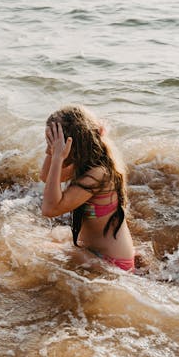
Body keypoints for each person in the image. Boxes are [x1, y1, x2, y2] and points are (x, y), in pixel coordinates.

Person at [40, 105, 135, 272]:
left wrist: (57, 157)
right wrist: (52, 151)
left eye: (54, 141)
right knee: (42, 240)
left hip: (112, 264)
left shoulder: (98, 174)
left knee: (32, 248)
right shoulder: (89, 162)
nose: (52, 146)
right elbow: (46, 177)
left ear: (73, 144)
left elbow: (49, 209)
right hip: (96, 253)